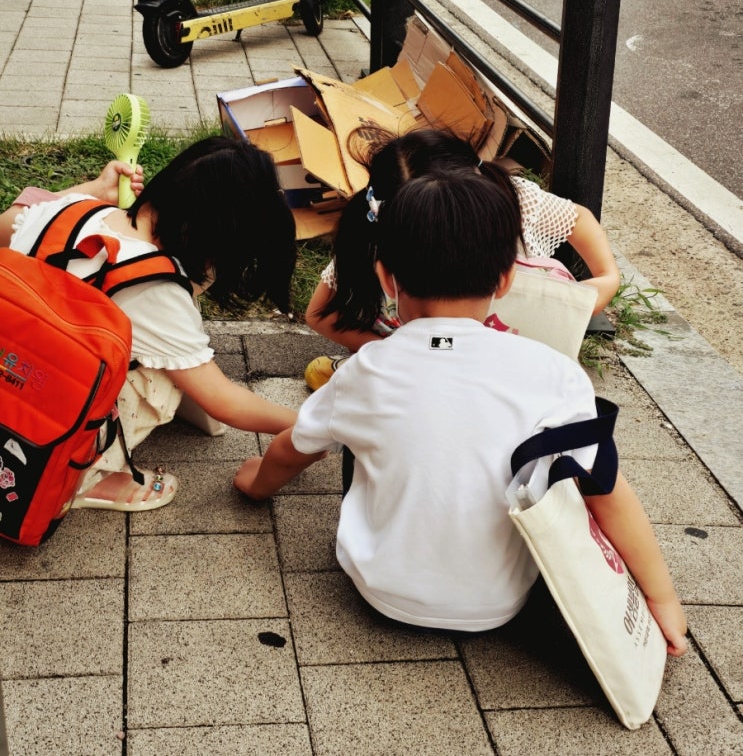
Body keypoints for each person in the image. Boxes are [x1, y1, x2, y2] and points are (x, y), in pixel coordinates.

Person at [234, 169, 687, 653]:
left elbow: (293, 450)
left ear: (386, 278)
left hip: (380, 590)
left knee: (354, 429)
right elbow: (605, 489)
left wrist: (255, 483)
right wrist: (661, 599)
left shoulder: (366, 370)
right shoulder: (554, 372)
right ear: (506, 279)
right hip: (502, 603)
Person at [1, 136, 298, 511]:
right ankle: (84, 477)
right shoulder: (153, 287)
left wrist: (95, 189)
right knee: (164, 378)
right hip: (39, 414)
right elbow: (223, 401)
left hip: (12, 360)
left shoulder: (72, 207)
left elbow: (6, 225)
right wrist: (307, 423)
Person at [303, 127, 620, 388]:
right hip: (423, 358)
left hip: (501, 362)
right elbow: (319, 314)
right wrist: (393, 353)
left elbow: (579, 219)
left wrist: (603, 281)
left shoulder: (516, 198)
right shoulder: (373, 232)